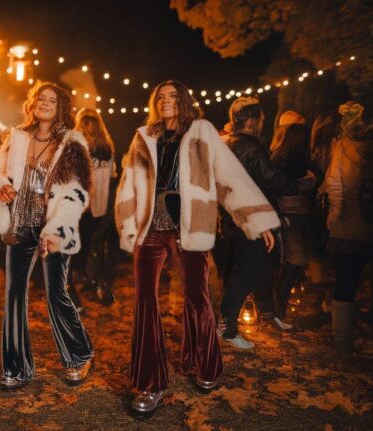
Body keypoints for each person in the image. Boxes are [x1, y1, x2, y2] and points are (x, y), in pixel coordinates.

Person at [115, 81, 280, 415]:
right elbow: (129, 182)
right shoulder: (143, 135)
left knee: (197, 297)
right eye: (160, 97)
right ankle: (149, 383)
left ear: (184, 101)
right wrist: (127, 224)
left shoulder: (203, 132)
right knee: (145, 302)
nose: (166, 101)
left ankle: (205, 364)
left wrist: (256, 220)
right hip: (151, 229)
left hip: (190, 226)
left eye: (172, 96)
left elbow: (230, 176)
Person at [0, 81, 94, 390]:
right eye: (40, 99)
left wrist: (57, 229)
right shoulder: (16, 138)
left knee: (56, 293)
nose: (45, 103)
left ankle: (79, 356)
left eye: (52, 100)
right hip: (19, 224)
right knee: (14, 294)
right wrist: (0, 186)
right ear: (32, 104)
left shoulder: (72, 143)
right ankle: (16, 368)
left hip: (52, 226)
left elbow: (77, 192)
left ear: (61, 108)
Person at [217, 98, 314, 349]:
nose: (262, 123)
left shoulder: (227, 144)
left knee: (251, 267)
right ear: (252, 121)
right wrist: (303, 184)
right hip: (249, 217)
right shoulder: (249, 147)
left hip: (233, 216)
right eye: (261, 119)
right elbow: (270, 179)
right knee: (247, 268)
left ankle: (262, 314)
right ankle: (227, 327)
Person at [324, 101, 373, 352]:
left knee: (345, 284)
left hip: (345, 228)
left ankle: (343, 339)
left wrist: (334, 219)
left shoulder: (340, 148)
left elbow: (334, 187)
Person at [269, 116, 318, 330]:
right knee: (295, 259)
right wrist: (307, 183)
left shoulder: (290, 158)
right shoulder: (287, 161)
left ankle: (280, 306)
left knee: (296, 260)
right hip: (291, 213)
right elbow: (282, 186)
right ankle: (277, 307)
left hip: (297, 213)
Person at [74, 108, 117, 305]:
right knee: (96, 244)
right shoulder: (107, 147)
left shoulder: (77, 146)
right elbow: (111, 175)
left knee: (83, 244)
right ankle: (98, 283)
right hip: (102, 203)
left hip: (82, 204)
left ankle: (88, 279)